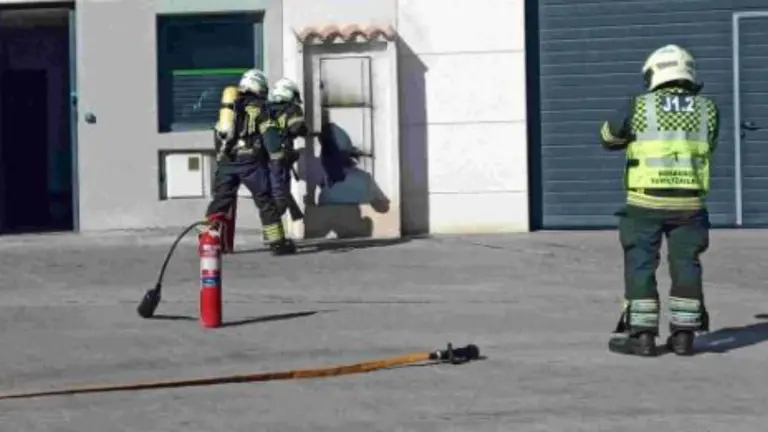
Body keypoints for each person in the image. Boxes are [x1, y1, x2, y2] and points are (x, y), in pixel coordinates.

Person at [601, 44, 720, 357]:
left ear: (654, 73)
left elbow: (608, 137)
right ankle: (684, 336)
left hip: (645, 203)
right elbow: (710, 144)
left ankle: (641, 336)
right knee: (687, 264)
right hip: (690, 205)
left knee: (641, 263)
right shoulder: (707, 109)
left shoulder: (639, 105)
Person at [204, 69, 296, 256]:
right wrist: (277, 156)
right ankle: (277, 242)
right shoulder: (260, 107)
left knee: (220, 201)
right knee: (265, 201)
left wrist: (222, 159)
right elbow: (269, 135)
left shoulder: (229, 107)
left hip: (227, 163)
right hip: (251, 164)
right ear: (259, 87)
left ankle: (208, 240)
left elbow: (218, 135)